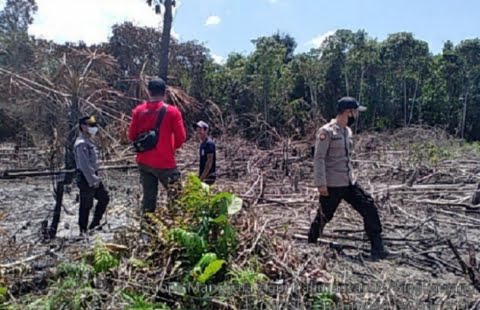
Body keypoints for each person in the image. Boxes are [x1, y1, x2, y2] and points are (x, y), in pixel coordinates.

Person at [308, 97, 390, 260]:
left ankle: (377, 246)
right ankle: (311, 242)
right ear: (348, 112)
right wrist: (321, 184)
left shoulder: (347, 131)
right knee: (324, 216)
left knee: (368, 205)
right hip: (332, 184)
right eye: (355, 112)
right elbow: (319, 158)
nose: (356, 115)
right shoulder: (327, 132)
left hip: (348, 181)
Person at [128, 78, 186, 214]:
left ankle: (147, 232)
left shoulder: (138, 111)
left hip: (144, 162)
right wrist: (170, 149)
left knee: (148, 199)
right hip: (165, 162)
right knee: (177, 197)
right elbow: (181, 138)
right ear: (165, 92)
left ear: (149, 92)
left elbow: (131, 136)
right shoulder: (172, 112)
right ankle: (175, 227)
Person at [74, 115, 110, 235]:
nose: (93, 128)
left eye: (94, 125)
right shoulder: (81, 143)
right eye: (90, 125)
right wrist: (93, 180)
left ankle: (95, 224)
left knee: (104, 198)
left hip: (92, 176)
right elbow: (84, 165)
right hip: (86, 177)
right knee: (86, 205)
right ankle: (83, 231)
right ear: (83, 127)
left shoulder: (89, 141)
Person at [194, 121, 216, 185]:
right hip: (203, 176)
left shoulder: (209, 143)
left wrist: (202, 178)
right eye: (197, 129)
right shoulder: (202, 144)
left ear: (206, 130)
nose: (198, 132)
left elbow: (209, 162)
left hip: (209, 176)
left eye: (200, 129)